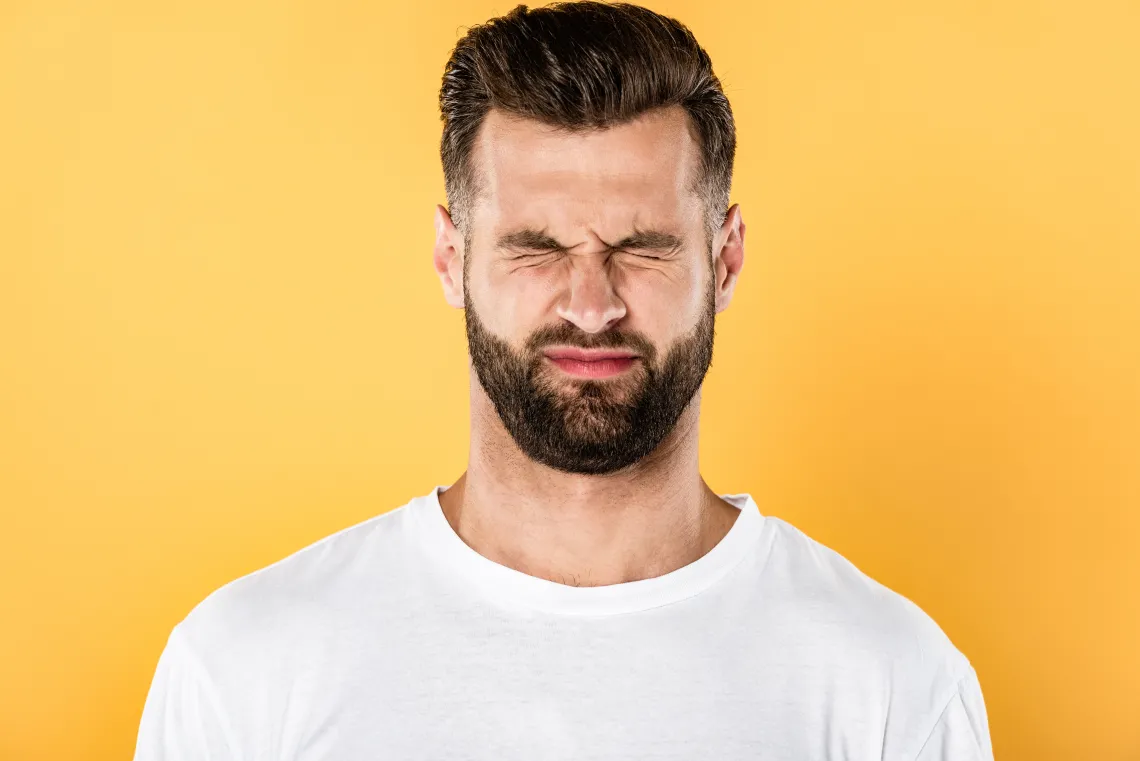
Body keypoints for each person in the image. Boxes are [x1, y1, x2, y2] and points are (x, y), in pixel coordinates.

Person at [133, 2, 994, 759]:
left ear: (725, 261)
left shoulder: (893, 684)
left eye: (643, 248)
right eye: (537, 249)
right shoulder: (242, 670)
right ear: (451, 257)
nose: (590, 306)